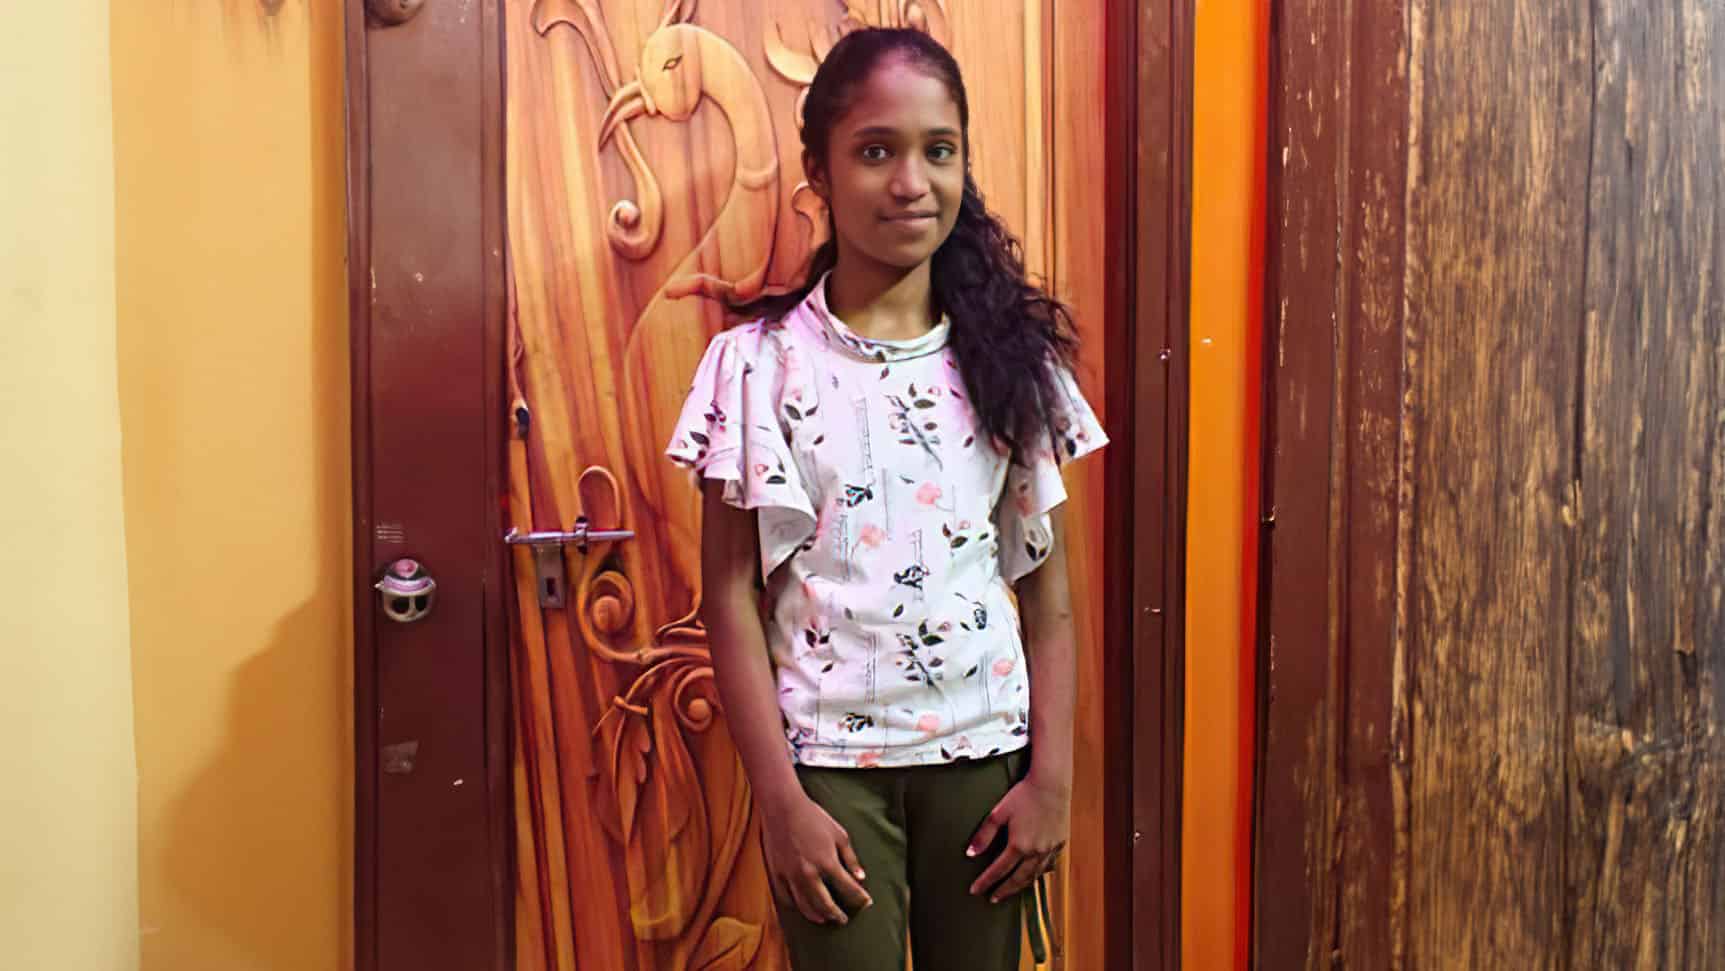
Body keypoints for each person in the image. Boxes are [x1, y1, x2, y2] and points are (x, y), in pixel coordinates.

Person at [664, 26, 1105, 971]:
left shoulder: (1008, 364)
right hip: (828, 777)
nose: (911, 182)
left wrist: (1052, 784)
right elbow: (729, 599)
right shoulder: (757, 370)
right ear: (817, 169)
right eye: (876, 151)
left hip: (988, 767)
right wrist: (781, 806)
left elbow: (1050, 595)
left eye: (937, 151)